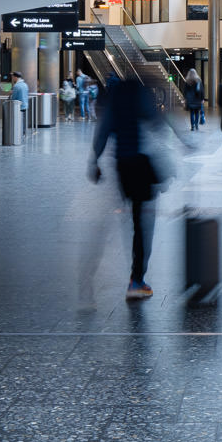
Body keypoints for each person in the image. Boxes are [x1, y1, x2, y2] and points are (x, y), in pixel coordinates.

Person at [89, 73, 163, 300]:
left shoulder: (115, 97)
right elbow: (156, 122)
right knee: (143, 223)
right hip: (140, 164)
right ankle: (137, 279)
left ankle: (135, 275)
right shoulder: (139, 94)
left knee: (132, 220)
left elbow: (103, 131)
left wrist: (95, 161)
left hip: (122, 166)